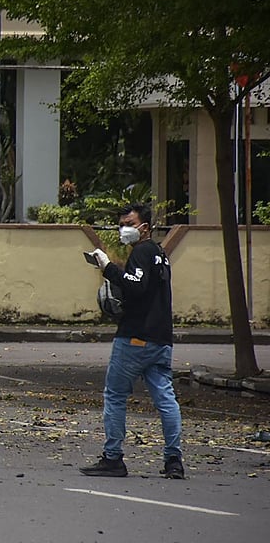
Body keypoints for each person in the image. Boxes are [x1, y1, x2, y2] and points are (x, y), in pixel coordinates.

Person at [81, 203, 184, 479]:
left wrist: (109, 269)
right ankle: (174, 459)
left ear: (145, 227)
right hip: (162, 339)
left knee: (115, 396)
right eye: (121, 224)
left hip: (135, 338)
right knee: (165, 398)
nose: (124, 229)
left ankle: (113, 458)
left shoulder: (141, 252)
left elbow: (135, 286)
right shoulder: (161, 254)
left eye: (130, 223)